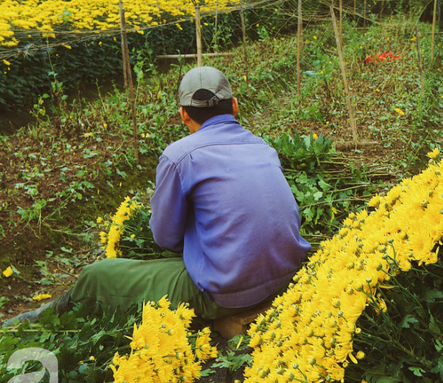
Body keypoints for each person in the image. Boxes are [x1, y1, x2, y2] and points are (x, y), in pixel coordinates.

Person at [5, 66, 311, 326]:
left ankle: (33, 320)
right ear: (235, 106)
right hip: (286, 275)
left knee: (97, 275)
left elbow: (164, 238)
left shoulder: (180, 156)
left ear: (182, 115)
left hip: (228, 294)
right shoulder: (263, 147)